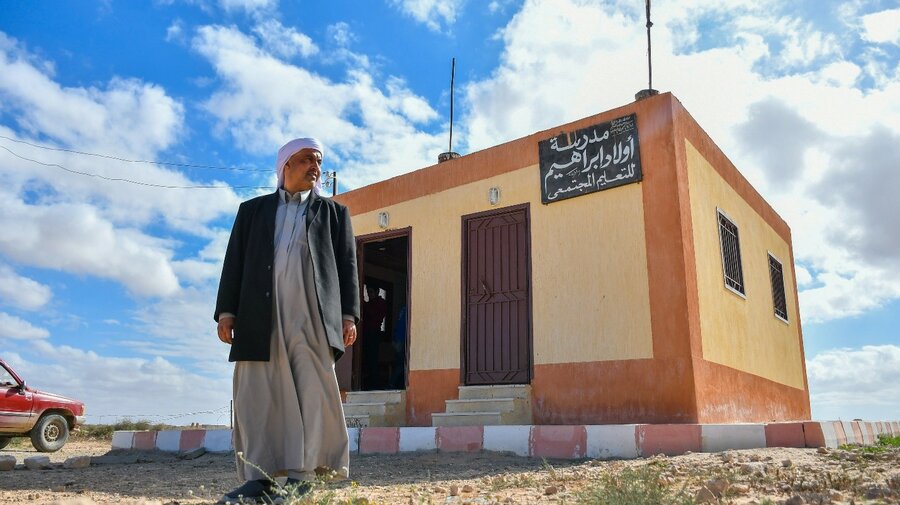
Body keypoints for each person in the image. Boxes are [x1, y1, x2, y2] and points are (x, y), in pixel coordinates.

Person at [214, 137, 359, 504]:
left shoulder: (334, 214)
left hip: (311, 316)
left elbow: (347, 267)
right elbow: (235, 262)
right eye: (307, 159)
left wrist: (347, 314)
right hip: (259, 316)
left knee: (312, 392)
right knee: (256, 395)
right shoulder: (252, 211)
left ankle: (302, 475)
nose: (315, 167)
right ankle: (258, 477)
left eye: (319, 161)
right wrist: (227, 311)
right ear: (285, 167)